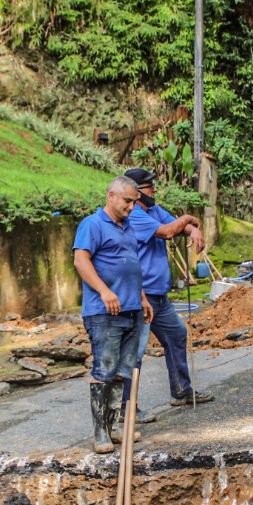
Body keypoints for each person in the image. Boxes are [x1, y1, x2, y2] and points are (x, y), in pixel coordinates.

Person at [123, 167, 214, 416]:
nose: (155, 190)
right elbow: (168, 230)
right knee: (135, 352)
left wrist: (193, 229)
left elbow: (178, 225)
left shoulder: (153, 210)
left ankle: (181, 390)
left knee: (176, 335)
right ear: (135, 192)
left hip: (159, 296)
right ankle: (127, 408)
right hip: (140, 296)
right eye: (150, 187)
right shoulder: (135, 216)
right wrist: (188, 221)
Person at [73, 176, 154, 454]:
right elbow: (80, 260)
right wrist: (104, 291)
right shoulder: (92, 225)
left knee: (122, 371)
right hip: (104, 311)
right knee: (104, 370)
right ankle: (100, 433)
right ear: (111, 196)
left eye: (134, 202)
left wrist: (142, 297)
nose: (132, 207)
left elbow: (132, 265)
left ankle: (115, 425)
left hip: (131, 309)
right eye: (127, 201)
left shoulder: (128, 226)